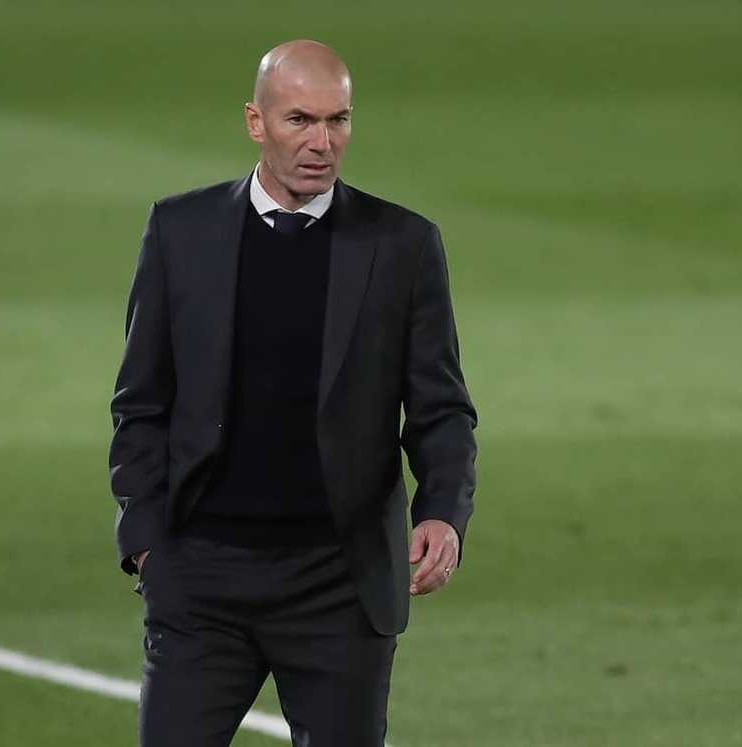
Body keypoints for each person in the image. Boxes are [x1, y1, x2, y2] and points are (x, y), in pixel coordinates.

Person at [109, 38, 479, 747]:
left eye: (338, 121)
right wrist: (148, 543)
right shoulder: (181, 232)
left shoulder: (402, 245)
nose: (322, 143)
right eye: (300, 121)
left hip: (338, 583)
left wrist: (443, 511)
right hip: (202, 577)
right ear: (256, 122)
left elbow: (441, 408)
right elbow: (141, 402)